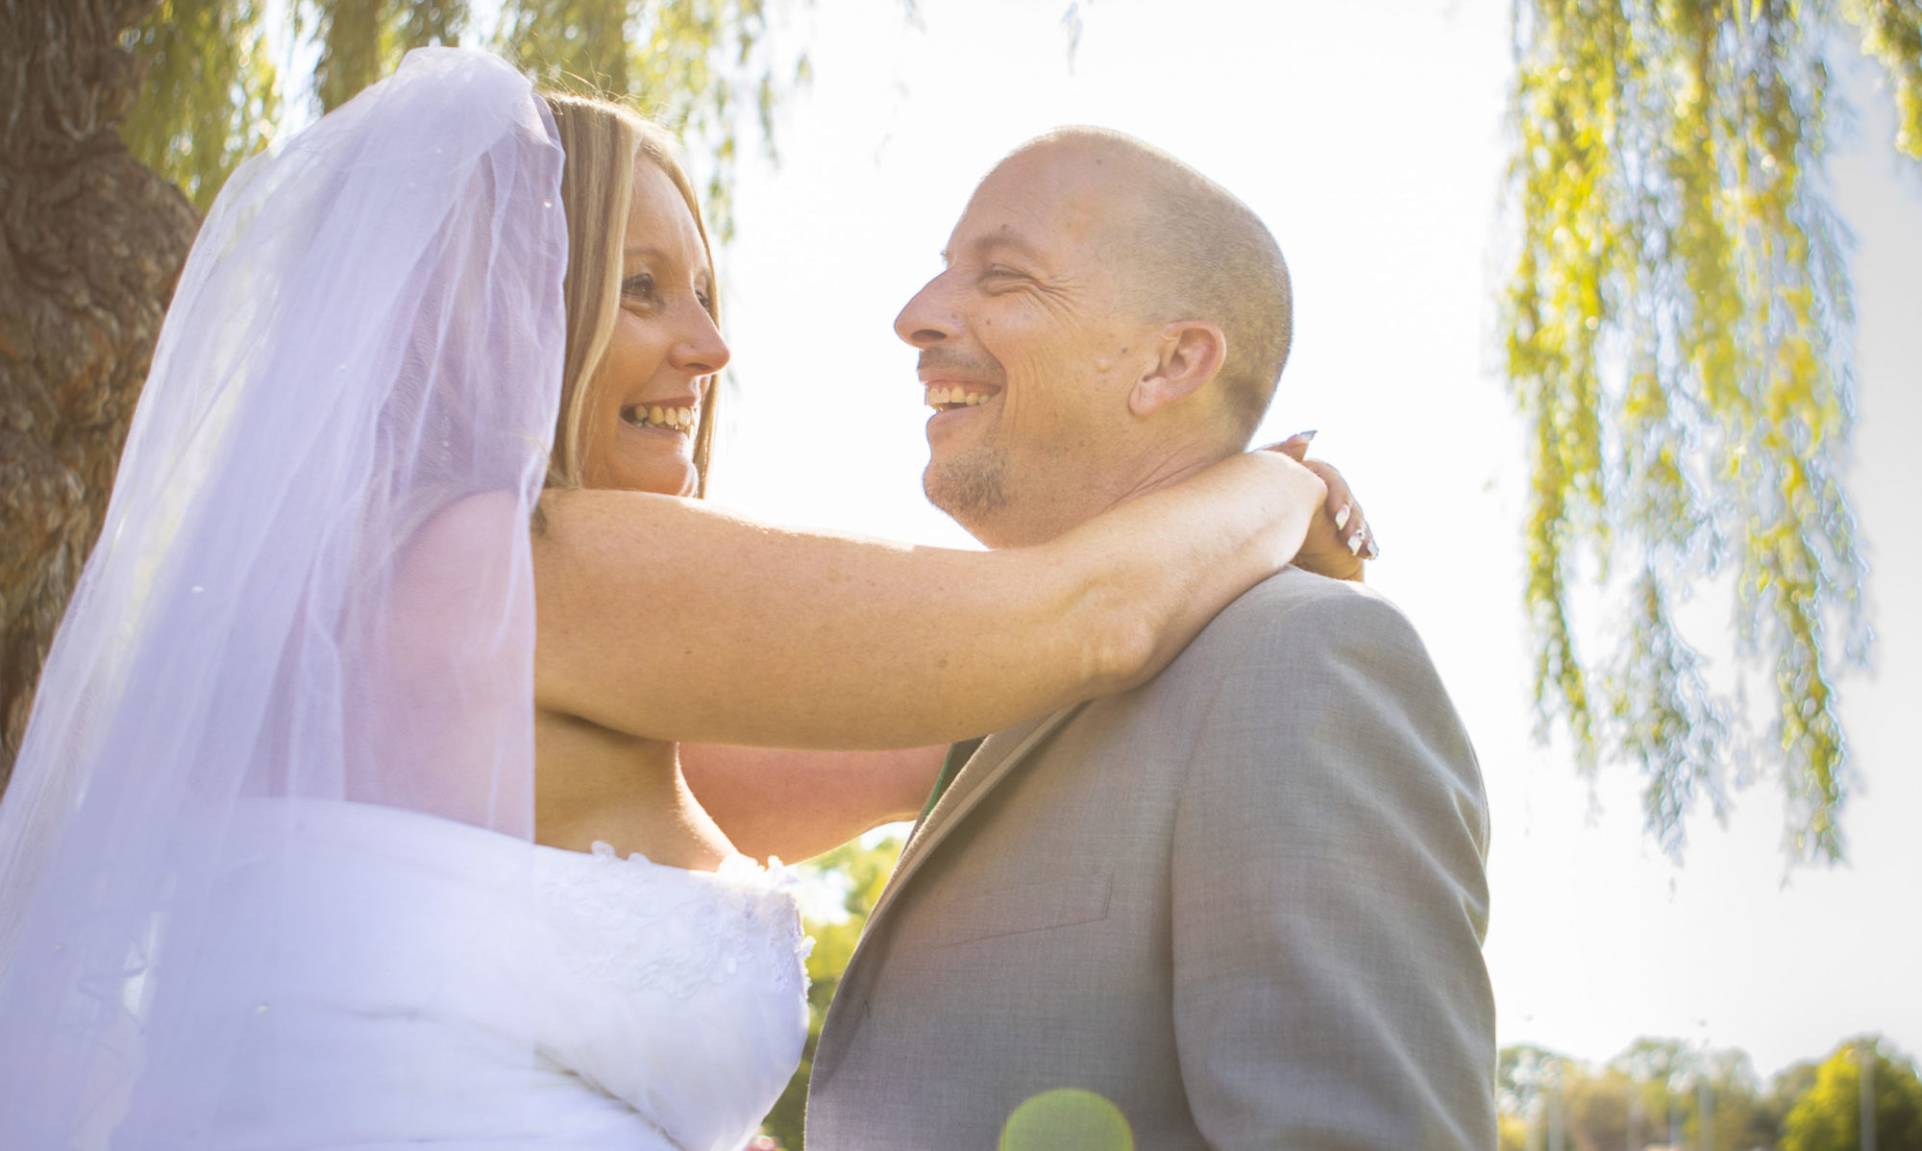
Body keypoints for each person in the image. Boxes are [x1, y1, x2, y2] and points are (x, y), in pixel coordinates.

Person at [0, 51, 1371, 1148]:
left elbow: (948, 736)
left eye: (705, 291)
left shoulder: (363, 619)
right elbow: (1083, 624)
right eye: (641, 288)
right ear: (498, 309)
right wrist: (1273, 489)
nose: (710, 347)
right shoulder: (535, 560)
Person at [804, 128, 1497, 1149]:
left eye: (1001, 277)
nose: (915, 316)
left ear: (1171, 361)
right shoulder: (1000, 682)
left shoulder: (1304, 665)